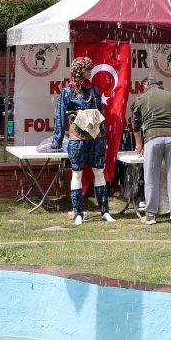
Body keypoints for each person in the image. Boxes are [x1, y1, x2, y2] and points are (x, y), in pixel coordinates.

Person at [53, 57, 114, 225]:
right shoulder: (67, 92)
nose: (90, 72)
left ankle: (105, 211)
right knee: (77, 173)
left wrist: (104, 136)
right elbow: (60, 115)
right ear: (79, 71)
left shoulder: (94, 90)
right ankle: (78, 212)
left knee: (99, 172)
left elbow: (100, 113)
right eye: (87, 69)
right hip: (77, 139)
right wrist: (58, 140)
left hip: (96, 138)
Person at [132, 76, 171, 225]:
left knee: (151, 178)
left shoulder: (141, 98)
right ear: (157, 85)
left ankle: (150, 216)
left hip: (152, 139)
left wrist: (139, 145)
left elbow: (136, 126)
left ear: (145, 86)